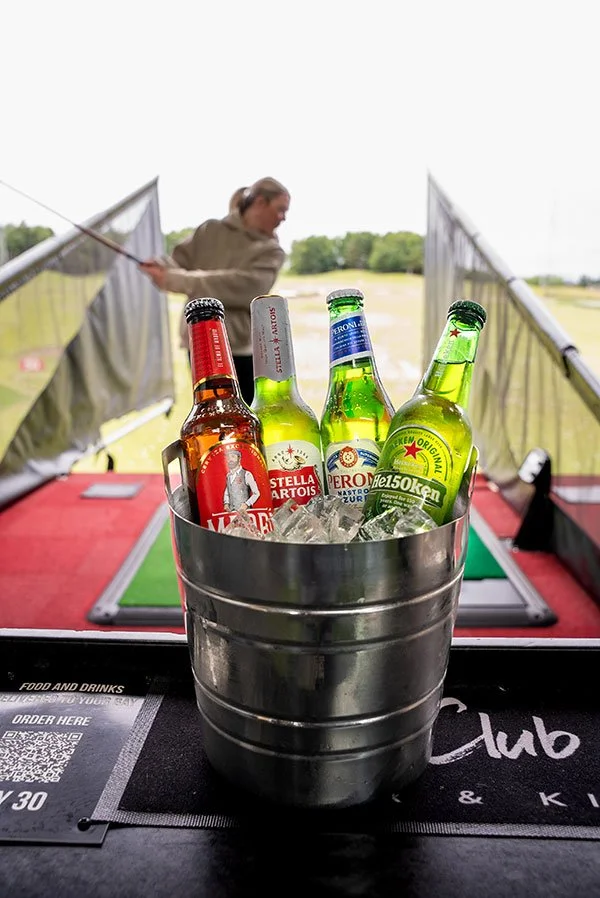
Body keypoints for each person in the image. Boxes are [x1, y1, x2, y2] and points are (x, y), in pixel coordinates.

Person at [140, 176, 290, 404]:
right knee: (209, 415)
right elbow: (177, 264)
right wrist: (161, 268)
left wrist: (178, 279)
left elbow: (245, 286)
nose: (283, 218)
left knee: (246, 419)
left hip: (242, 351)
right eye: (280, 210)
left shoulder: (272, 251)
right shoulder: (210, 230)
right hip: (199, 344)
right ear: (260, 202)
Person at [222, 448, 260, 512]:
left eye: (233, 457)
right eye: (228, 458)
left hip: (246, 513)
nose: (230, 459)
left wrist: (247, 504)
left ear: (239, 459)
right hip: (232, 513)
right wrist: (226, 503)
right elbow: (227, 492)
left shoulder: (247, 474)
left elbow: (256, 493)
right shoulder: (228, 476)